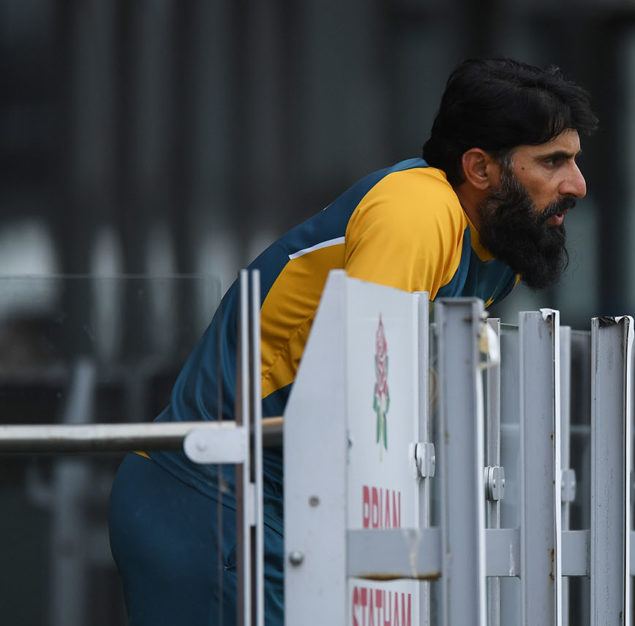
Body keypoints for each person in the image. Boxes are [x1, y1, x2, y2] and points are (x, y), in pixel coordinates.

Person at [108, 57, 597, 625]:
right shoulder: (419, 212)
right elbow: (375, 383)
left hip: (289, 507)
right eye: (553, 161)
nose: (577, 185)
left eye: (575, 161)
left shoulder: (496, 252)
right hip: (207, 497)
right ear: (480, 169)